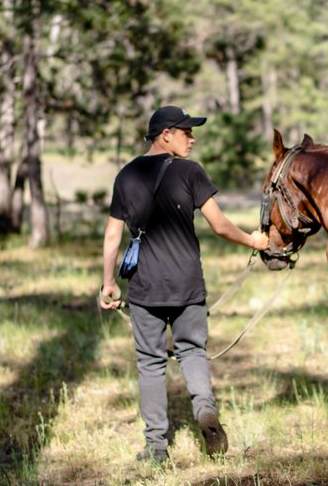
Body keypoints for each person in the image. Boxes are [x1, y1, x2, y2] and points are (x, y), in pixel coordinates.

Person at [99, 105, 270, 463]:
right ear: (165, 135)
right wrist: (254, 242)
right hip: (187, 283)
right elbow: (220, 226)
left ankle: (156, 447)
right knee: (192, 352)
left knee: (150, 363)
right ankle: (205, 412)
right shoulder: (190, 172)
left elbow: (113, 235)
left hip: (145, 288)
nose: (192, 139)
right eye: (185, 132)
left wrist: (108, 284)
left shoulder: (125, 177)